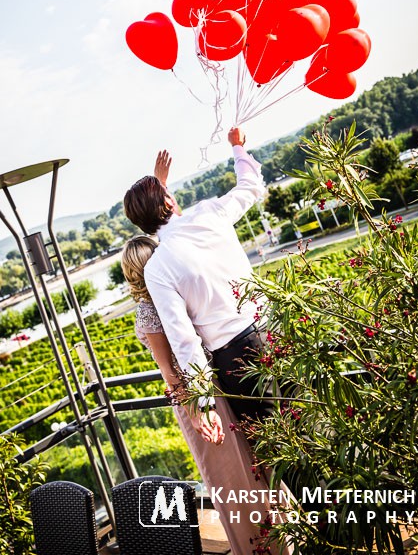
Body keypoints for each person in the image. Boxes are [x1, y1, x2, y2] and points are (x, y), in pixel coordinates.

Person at [121, 236, 294, 555]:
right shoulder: (151, 310)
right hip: (195, 399)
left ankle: (282, 535)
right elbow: (169, 372)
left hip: (210, 390)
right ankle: (262, 545)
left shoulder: (167, 297)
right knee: (232, 477)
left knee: (252, 466)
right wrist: (192, 408)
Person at [123, 127, 273, 437]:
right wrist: (237, 148)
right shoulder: (209, 214)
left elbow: (184, 339)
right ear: (169, 200)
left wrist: (203, 404)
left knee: (278, 446)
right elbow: (250, 185)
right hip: (273, 330)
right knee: (315, 428)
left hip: (235, 359)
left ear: (140, 223)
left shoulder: (157, 268)